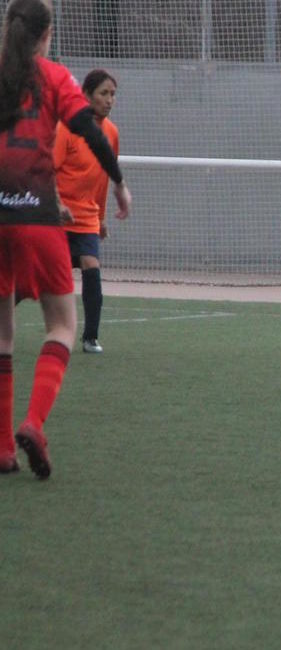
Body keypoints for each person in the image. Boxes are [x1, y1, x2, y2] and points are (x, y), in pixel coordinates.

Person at [0, 0, 131, 478]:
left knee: (2, 335)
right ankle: (33, 424)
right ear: (47, 35)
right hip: (36, 215)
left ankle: (2, 449)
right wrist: (118, 182)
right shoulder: (54, 77)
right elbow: (89, 132)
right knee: (60, 324)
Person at [55, 68, 125, 353]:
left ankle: (90, 337)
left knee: (91, 267)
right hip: (56, 216)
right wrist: (56, 204)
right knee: (31, 279)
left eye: (113, 95)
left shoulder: (111, 133)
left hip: (85, 217)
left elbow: (104, 177)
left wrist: (101, 217)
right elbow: (49, 170)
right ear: (86, 95)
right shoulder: (66, 128)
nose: (109, 100)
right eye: (103, 94)